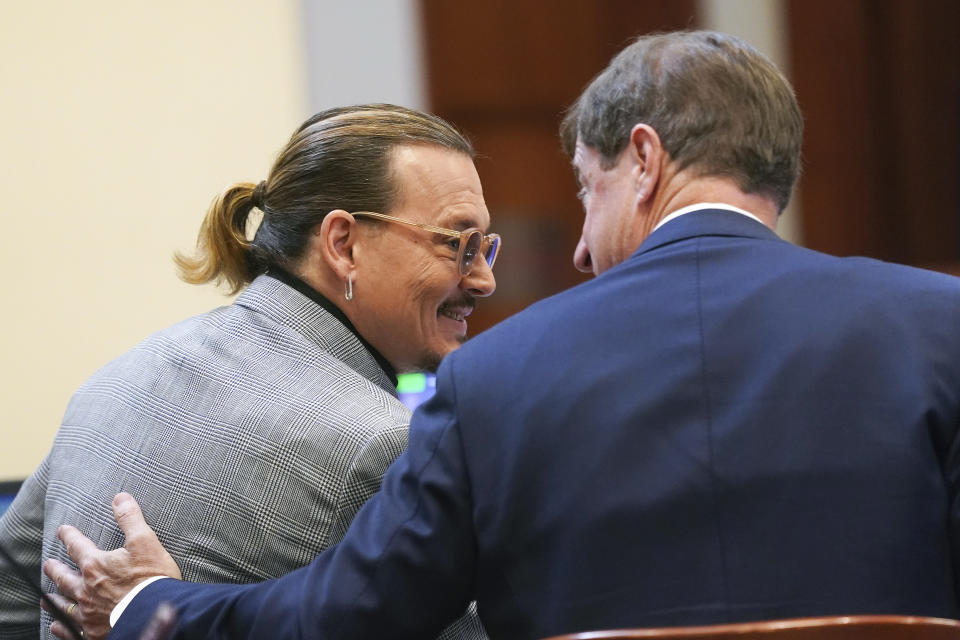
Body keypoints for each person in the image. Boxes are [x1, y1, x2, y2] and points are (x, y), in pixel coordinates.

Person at [48, 30, 960, 640]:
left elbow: (347, 615)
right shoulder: (939, 326)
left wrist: (149, 606)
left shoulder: (498, 377)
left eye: (586, 190)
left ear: (642, 162)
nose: (579, 242)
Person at [0, 104, 498, 640]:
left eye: (486, 247)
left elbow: (9, 594)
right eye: (458, 244)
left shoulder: (115, 379)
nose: (485, 280)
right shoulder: (379, 444)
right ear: (343, 245)